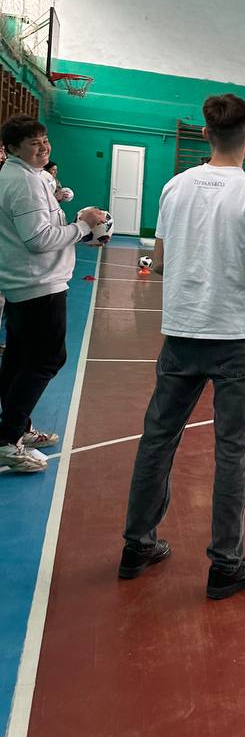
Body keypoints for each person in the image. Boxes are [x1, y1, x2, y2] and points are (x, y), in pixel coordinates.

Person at [119, 94, 245, 600]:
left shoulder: (175, 187)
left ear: (205, 134)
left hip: (183, 332)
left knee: (158, 439)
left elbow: (159, 263)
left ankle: (136, 546)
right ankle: (225, 565)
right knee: (232, 450)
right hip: (237, 340)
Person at [0, 114, 108, 473]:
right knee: (46, 359)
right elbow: (38, 239)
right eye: (33, 143)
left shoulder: (26, 175)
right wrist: (82, 227)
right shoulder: (24, 181)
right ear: (13, 148)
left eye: (44, 140)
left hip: (26, 283)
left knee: (19, 359)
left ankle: (15, 428)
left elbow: (43, 228)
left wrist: (79, 228)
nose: (43, 147)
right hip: (38, 285)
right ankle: (7, 439)